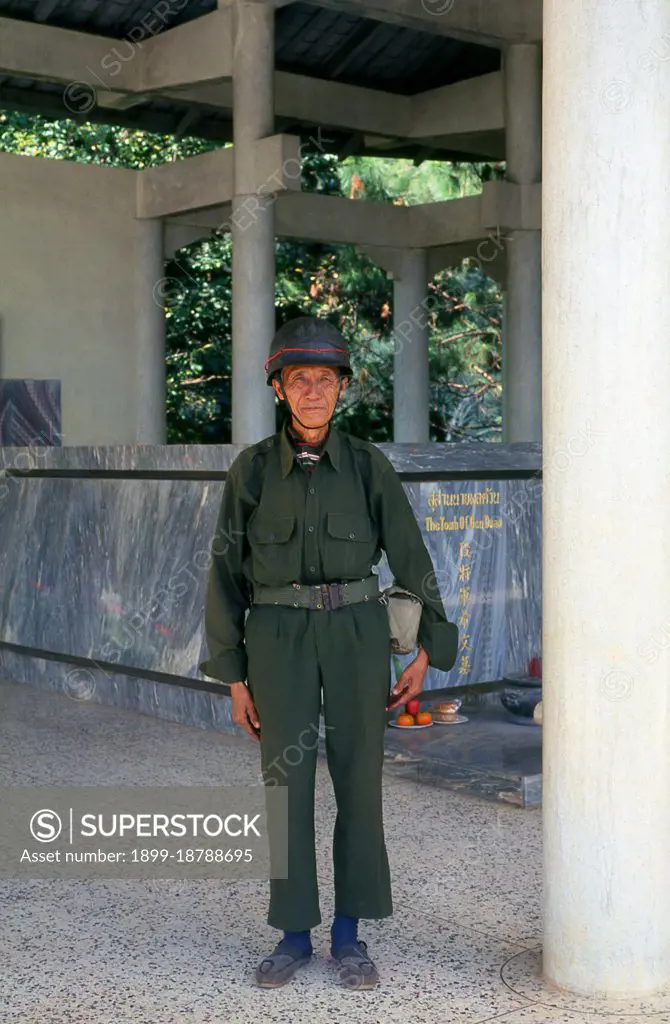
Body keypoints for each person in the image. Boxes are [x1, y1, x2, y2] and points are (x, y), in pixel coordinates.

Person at [199, 316, 458, 990]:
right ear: (280, 389)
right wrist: (234, 677)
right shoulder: (251, 472)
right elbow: (225, 574)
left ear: (342, 387)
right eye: (299, 379)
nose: (313, 390)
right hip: (276, 641)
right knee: (285, 788)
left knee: (359, 783)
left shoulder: (368, 466)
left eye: (325, 378)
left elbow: (410, 555)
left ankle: (349, 935)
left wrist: (429, 646)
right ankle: (292, 935)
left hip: (355, 636)